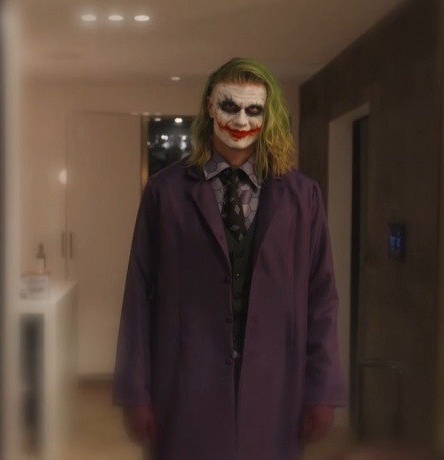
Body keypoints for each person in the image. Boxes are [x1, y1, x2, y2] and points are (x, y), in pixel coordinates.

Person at [113, 57, 344, 460]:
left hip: (275, 383)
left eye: (253, 110)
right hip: (185, 382)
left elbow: (321, 297)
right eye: (229, 106)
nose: (240, 120)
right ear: (209, 106)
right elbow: (139, 296)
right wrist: (135, 390)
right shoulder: (165, 194)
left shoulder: (302, 196)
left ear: (267, 115)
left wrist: (321, 388)